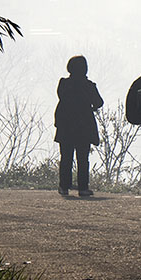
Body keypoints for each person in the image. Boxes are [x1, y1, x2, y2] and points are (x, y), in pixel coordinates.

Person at [54, 55, 104, 197]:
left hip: (65, 126)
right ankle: (83, 188)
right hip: (84, 126)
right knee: (82, 159)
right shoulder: (89, 86)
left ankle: (64, 186)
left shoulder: (63, 84)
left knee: (66, 158)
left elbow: (61, 96)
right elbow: (99, 102)